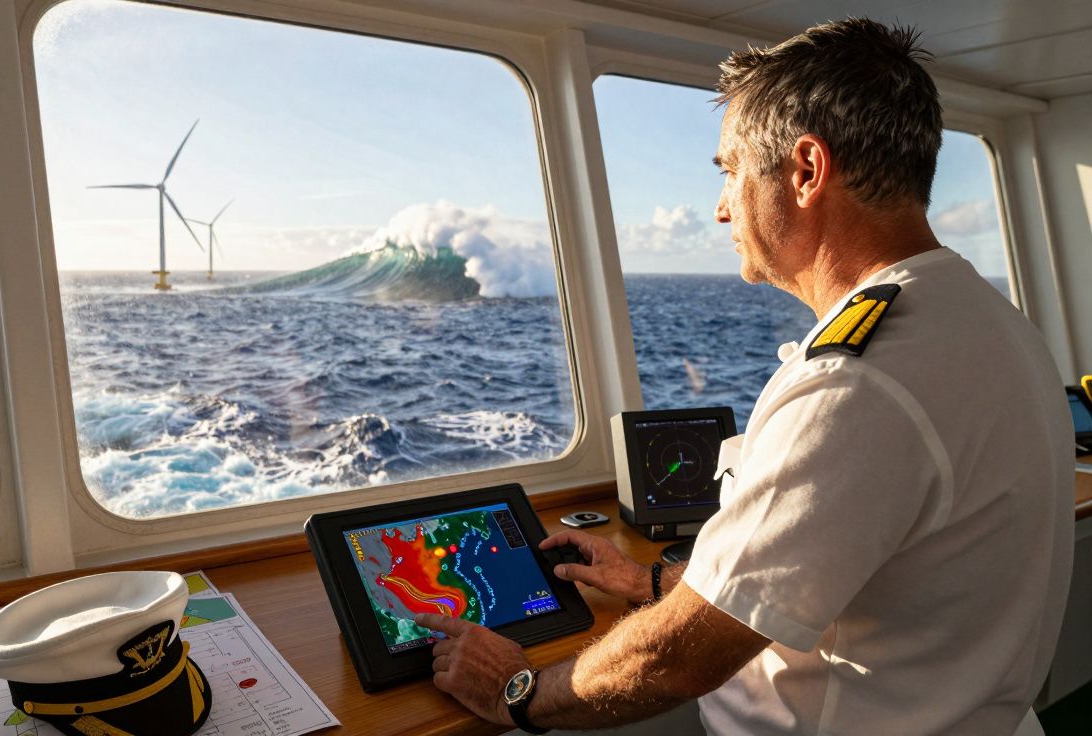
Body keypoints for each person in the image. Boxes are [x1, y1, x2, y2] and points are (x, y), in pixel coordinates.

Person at [414, 18, 1073, 735]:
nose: (723, 206)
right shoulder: (988, 320)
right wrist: (653, 581)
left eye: (731, 170)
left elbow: (677, 661)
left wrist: (514, 691)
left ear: (806, 170)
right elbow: (856, 563)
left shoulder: (856, 385)